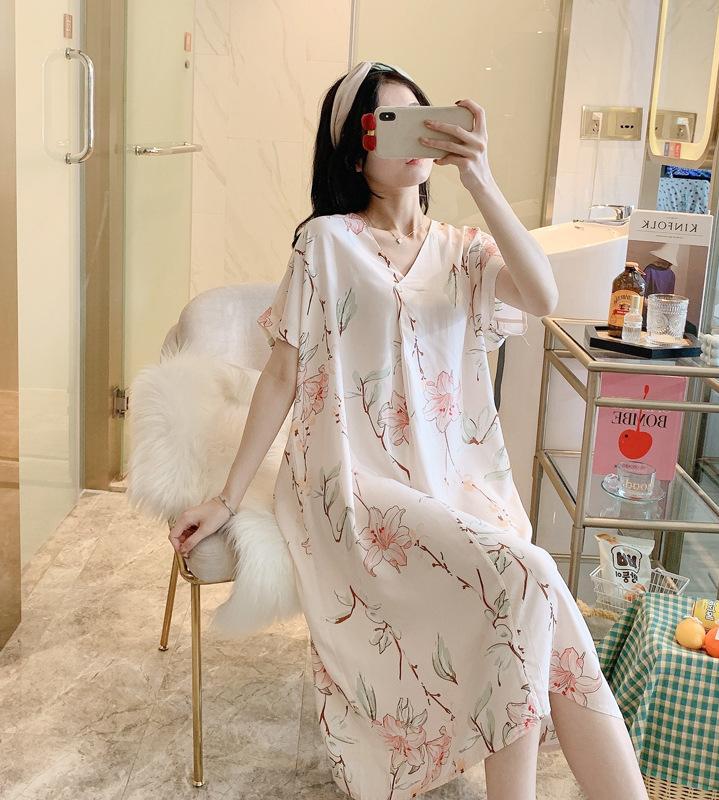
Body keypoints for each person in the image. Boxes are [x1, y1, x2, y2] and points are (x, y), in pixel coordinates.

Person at [169, 62, 649, 800]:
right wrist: (228, 498)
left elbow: (544, 294)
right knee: (528, 577)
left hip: (452, 481)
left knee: (541, 601)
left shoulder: (463, 249)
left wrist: (481, 179)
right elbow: (282, 374)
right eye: (387, 123)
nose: (412, 138)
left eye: (422, 119)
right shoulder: (325, 243)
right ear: (355, 149)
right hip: (351, 483)